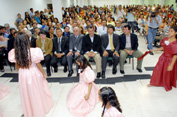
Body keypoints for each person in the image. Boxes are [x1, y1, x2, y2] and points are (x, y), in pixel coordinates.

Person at [8, 32, 54, 117]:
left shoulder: (14, 52)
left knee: (26, 92)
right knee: (37, 91)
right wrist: (44, 73)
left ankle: (30, 110)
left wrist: (22, 70)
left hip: (22, 73)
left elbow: (17, 65)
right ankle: (39, 109)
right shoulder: (34, 51)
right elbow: (38, 64)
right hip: (33, 72)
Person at [148, 27, 177, 91]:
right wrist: (155, 50)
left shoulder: (175, 43)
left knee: (167, 73)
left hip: (170, 59)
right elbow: (163, 48)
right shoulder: (166, 39)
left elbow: (175, 55)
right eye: (169, 31)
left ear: (176, 33)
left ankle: (166, 83)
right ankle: (154, 82)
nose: (169, 32)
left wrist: (171, 65)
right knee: (158, 70)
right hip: (163, 58)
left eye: (171, 31)